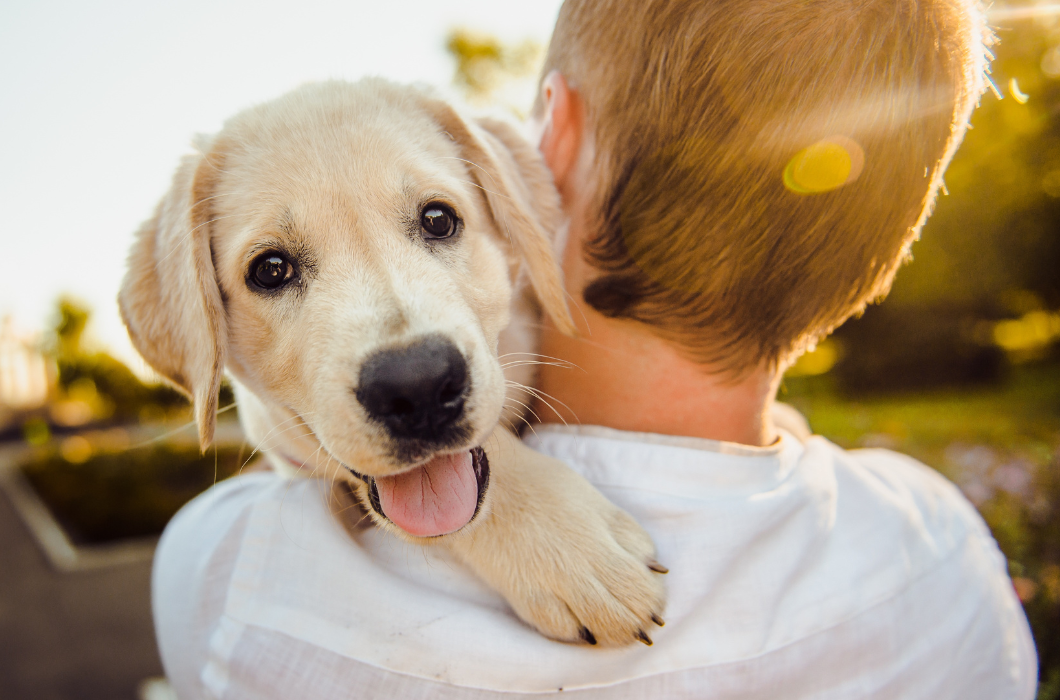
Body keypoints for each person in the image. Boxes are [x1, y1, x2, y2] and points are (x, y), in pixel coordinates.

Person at [151, 0, 1038, 697]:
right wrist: (503, 499)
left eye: (435, 221)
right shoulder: (945, 554)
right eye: (274, 270)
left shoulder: (234, 583)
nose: (408, 355)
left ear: (547, 151)